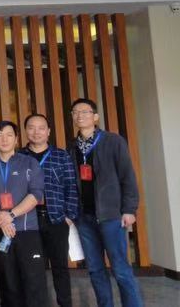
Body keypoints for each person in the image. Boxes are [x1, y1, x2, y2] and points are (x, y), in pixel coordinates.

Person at [68, 98, 143, 307]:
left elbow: (127, 176)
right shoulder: (72, 147)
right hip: (84, 217)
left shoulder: (113, 141)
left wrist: (129, 209)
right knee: (95, 269)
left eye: (85, 111)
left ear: (95, 116)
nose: (80, 115)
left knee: (121, 269)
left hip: (111, 216)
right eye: (75, 112)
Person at [0, 120, 48, 307]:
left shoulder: (29, 162)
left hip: (27, 231)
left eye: (9, 135)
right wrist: (1, 219)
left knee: (34, 282)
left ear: (17, 139)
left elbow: (36, 194)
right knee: (7, 282)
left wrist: (10, 215)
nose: (4, 139)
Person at [20, 114, 79, 307]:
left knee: (60, 267)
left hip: (56, 219)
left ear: (48, 131)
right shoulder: (19, 157)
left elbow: (71, 186)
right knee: (32, 268)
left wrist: (69, 216)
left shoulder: (61, 156)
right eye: (31, 127)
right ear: (26, 130)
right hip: (28, 220)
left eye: (41, 128)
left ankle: (65, 303)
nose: (36, 132)